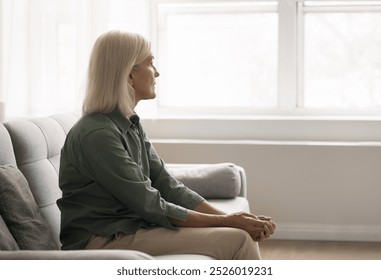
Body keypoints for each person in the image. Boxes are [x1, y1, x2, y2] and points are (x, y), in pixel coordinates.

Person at [57, 31, 276, 260]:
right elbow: (150, 204)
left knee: (238, 232)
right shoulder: (97, 135)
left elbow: (166, 184)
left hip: (130, 227)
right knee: (238, 240)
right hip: (100, 240)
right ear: (129, 76)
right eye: (150, 63)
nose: (157, 72)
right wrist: (228, 221)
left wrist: (232, 219)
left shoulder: (127, 122)